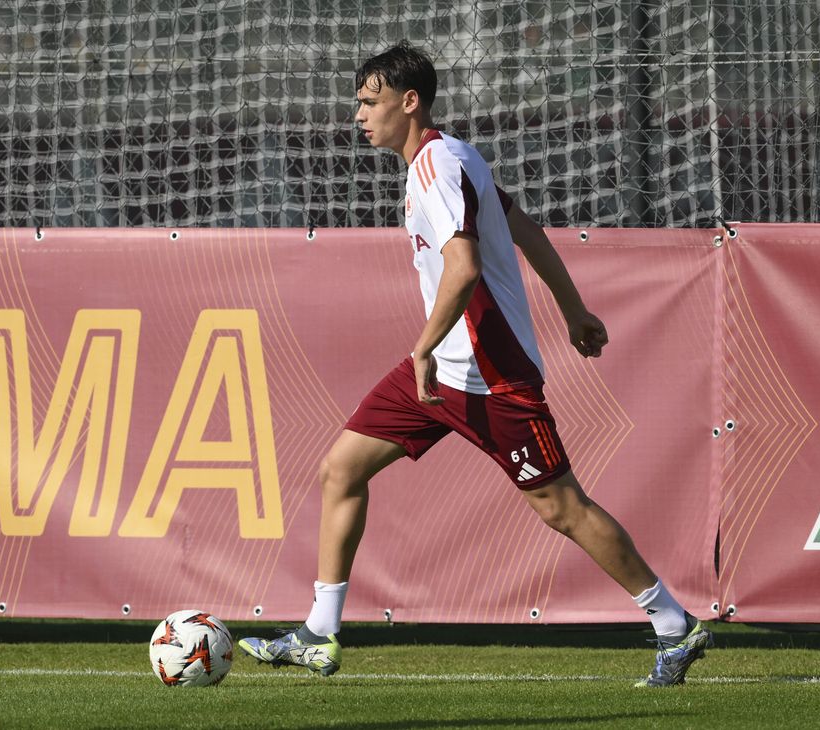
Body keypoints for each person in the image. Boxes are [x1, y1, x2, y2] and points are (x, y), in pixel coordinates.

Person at [239, 41, 711, 687]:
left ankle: (673, 624)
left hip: (490, 375)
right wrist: (572, 310)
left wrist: (424, 348)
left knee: (561, 508)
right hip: (441, 370)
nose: (358, 116)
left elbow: (462, 269)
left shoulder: (438, 164)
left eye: (369, 103)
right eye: (358, 103)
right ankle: (320, 633)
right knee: (340, 470)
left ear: (410, 103)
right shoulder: (454, 157)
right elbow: (524, 228)